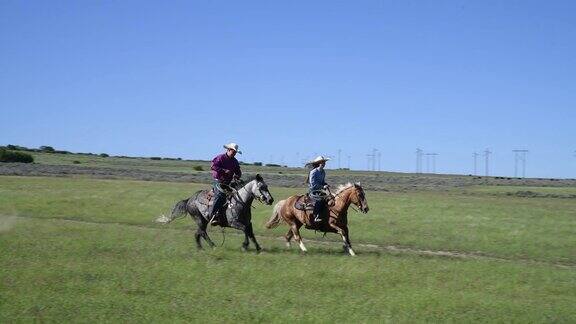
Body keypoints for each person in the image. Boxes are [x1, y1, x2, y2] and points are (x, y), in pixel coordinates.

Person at [208, 143, 242, 226]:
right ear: (228, 150)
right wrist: (224, 170)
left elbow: (238, 171)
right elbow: (213, 166)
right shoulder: (220, 157)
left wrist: (237, 176)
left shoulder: (235, 161)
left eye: (235, 152)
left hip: (229, 182)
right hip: (219, 181)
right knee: (220, 195)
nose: (234, 153)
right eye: (233, 151)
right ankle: (212, 215)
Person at [306, 156, 330, 223]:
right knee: (320, 199)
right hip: (313, 191)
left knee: (329, 198)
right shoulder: (313, 172)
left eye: (324, 162)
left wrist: (326, 184)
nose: (324, 164)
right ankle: (316, 216)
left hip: (320, 191)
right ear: (319, 163)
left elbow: (322, 182)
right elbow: (313, 184)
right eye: (322, 162)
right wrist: (323, 187)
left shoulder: (323, 172)